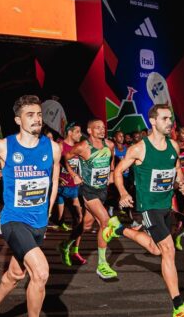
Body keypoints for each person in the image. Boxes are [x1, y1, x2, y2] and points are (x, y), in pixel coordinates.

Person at [104, 104, 184, 317]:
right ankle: (178, 306)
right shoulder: (139, 148)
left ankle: (118, 229)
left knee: (157, 250)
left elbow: (176, 169)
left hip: (166, 205)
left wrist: (181, 184)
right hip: (148, 207)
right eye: (165, 118)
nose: (170, 122)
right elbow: (118, 171)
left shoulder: (173, 146)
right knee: (168, 250)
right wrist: (122, 193)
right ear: (153, 121)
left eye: (171, 118)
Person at [0, 95, 60, 317]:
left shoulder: (53, 148)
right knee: (40, 273)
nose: (37, 119)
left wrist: (50, 207)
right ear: (18, 120)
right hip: (14, 221)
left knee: (16, 274)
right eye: (30, 115)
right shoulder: (4, 146)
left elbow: (55, 180)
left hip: (39, 222)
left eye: (39, 115)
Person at [58, 119, 117, 279]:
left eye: (103, 128)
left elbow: (112, 158)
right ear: (89, 131)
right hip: (87, 190)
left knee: (86, 225)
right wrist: (74, 175)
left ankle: (65, 245)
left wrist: (111, 172)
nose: (101, 130)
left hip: (102, 190)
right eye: (97, 128)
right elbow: (65, 158)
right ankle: (102, 264)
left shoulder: (109, 145)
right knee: (105, 221)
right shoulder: (83, 147)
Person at [54, 123, 86, 265]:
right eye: (77, 132)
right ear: (69, 132)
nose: (80, 134)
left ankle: (74, 250)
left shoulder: (78, 148)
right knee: (61, 218)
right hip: (61, 188)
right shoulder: (60, 146)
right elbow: (50, 164)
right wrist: (57, 177)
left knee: (79, 219)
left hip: (74, 187)